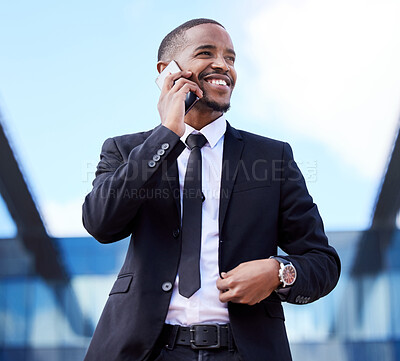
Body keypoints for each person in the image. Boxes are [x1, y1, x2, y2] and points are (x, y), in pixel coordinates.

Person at [82, 18, 340, 361]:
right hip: (146, 351)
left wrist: (278, 272)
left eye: (230, 58)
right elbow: (100, 222)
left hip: (243, 351)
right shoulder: (127, 151)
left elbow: (322, 262)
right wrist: (167, 134)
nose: (223, 65)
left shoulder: (273, 157)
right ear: (167, 70)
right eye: (207, 53)